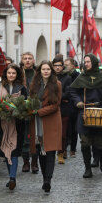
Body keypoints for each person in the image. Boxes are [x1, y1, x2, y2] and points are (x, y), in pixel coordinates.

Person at [70, 53, 102, 178]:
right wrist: (78, 101)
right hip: (84, 112)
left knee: (100, 142)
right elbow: (73, 91)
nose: (86, 64)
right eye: (85, 61)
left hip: (100, 112)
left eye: (88, 61)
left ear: (94, 62)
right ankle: (87, 168)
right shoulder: (81, 77)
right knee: (85, 142)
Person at [29, 61, 62, 192]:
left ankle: (48, 179)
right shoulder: (34, 84)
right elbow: (31, 100)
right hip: (37, 122)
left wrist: (39, 111)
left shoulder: (57, 84)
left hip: (51, 121)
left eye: (48, 69)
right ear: (40, 71)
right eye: (43, 69)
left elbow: (56, 105)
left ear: (51, 71)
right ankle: (44, 178)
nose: (46, 71)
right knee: (40, 151)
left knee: (50, 151)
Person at [0, 64, 27, 190]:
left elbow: (26, 104)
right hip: (2, 124)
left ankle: (12, 178)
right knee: (6, 149)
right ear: (5, 74)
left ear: (17, 74)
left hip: (17, 125)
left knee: (14, 150)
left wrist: (18, 111)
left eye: (13, 73)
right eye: (9, 73)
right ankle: (11, 177)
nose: (11, 75)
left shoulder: (22, 88)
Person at [20, 52, 39, 173]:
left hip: (35, 109)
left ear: (33, 60)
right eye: (25, 58)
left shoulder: (38, 74)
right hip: (21, 109)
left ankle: (34, 162)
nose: (27, 60)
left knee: (35, 136)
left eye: (30, 58)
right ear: (22, 60)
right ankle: (26, 162)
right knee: (23, 137)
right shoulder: (18, 74)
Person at [52, 55, 72, 164]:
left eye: (59, 65)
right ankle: (52, 151)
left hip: (64, 109)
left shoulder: (67, 78)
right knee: (53, 133)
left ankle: (61, 152)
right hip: (51, 109)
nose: (57, 68)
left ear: (62, 66)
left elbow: (67, 93)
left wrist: (57, 97)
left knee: (63, 133)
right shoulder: (50, 77)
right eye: (55, 65)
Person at [64, 57, 80, 158]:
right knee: (65, 129)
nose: (65, 67)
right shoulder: (64, 76)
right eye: (64, 65)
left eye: (67, 65)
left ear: (73, 66)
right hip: (65, 106)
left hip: (74, 106)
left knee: (74, 129)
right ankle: (64, 149)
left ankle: (73, 149)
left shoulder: (77, 76)